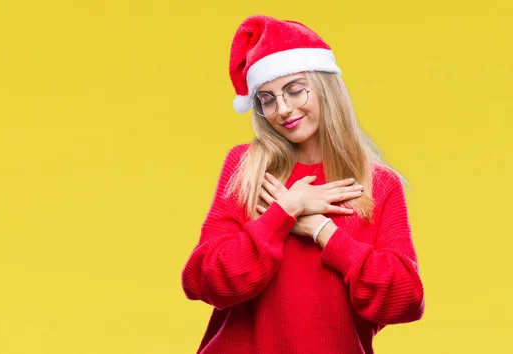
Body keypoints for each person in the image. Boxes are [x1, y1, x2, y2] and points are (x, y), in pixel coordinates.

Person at [181, 14, 424, 354]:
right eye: (267, 99)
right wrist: (285, 211)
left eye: (295, 91)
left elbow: (405, 300)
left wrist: (323, 231)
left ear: (325, 88)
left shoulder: (378, 184)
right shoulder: (247, 167)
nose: (282, 109)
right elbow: (203, 281)